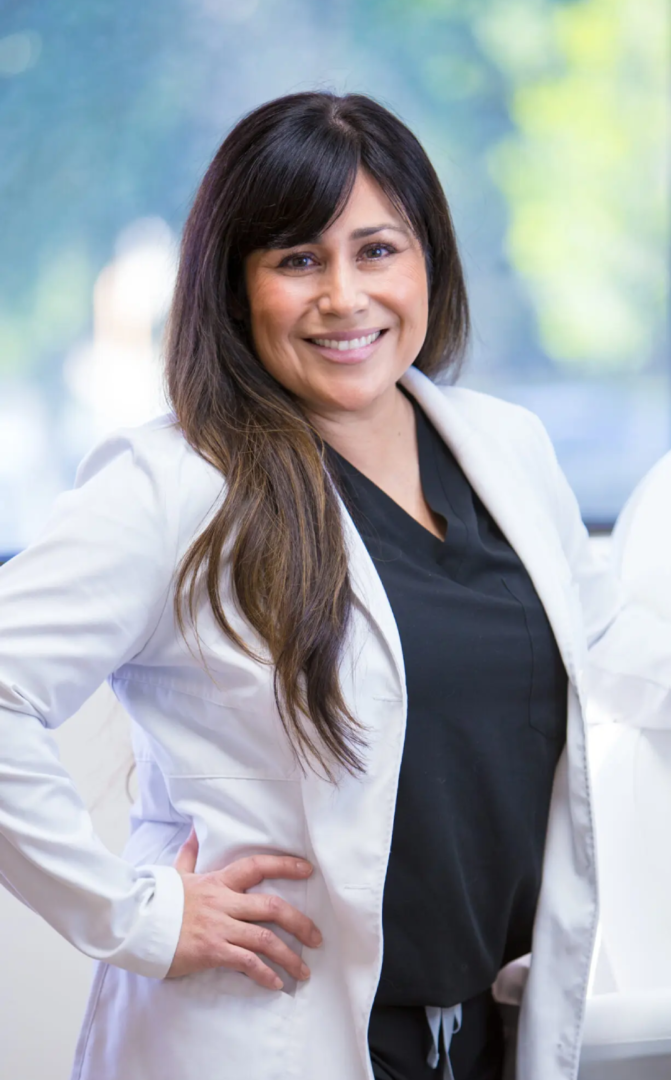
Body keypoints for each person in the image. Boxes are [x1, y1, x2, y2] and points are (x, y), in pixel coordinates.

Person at [0, 91, 619, 1080]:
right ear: (235, 287)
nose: (344, 296)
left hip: (485, 1033)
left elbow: (598, 690)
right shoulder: (175, 487)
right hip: (272, 1038)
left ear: (429, 261)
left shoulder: (508, 449)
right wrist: (138, 919)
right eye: (296, 260)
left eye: (376, 250)